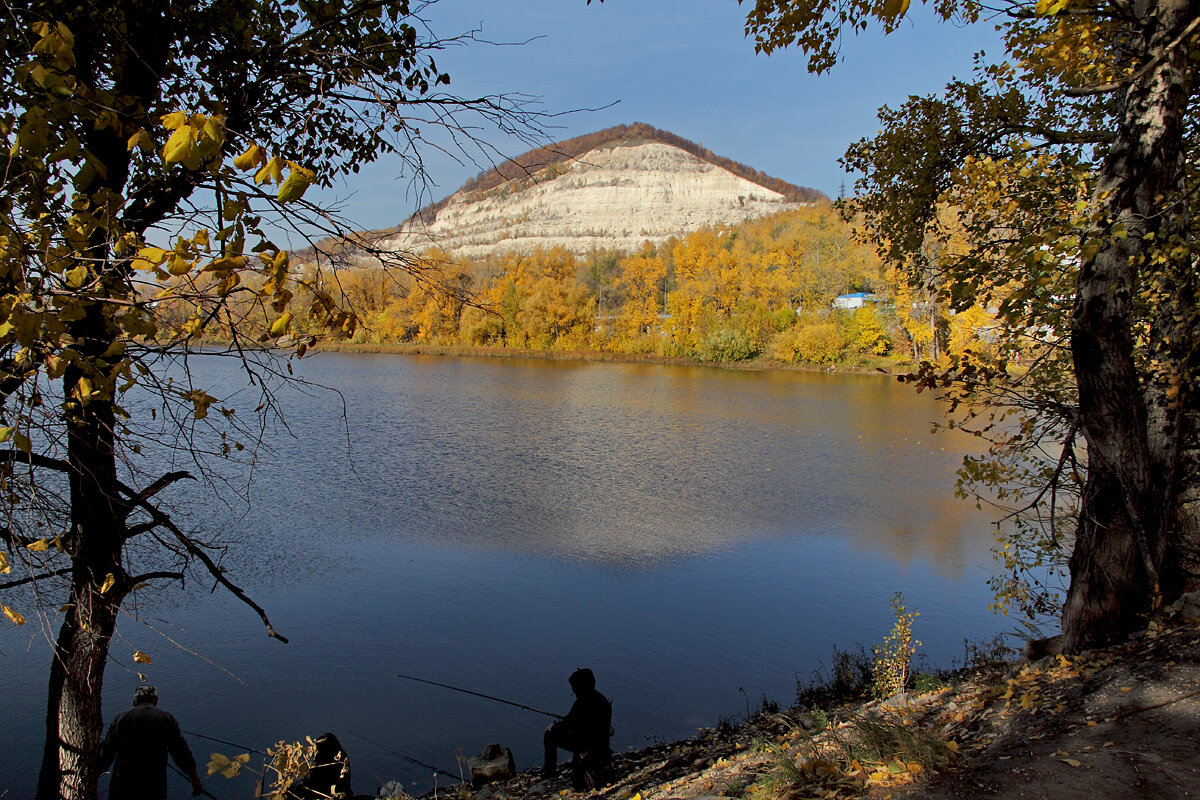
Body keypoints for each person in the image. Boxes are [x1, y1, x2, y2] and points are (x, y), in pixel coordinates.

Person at [99, 685, 204, 799]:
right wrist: (194, 778)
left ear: (134, 701)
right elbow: (181, 752)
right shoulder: (166, 718)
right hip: (154, 783)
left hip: (123, 783)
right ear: (155, 700)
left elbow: (107, 751)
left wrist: (95, 772)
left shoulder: (121, 718)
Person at [543, 668, 612, 790]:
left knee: (549, 735)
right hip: (600, 745)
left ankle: (550, 772)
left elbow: (569, 724)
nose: (573, 690)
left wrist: (553, 727)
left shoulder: (582, 702)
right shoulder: (601, 700)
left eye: (574, 687)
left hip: (587, 746)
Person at [286, 732, 355, 800]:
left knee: (291, 790)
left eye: (319, 746)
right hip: (336, 791)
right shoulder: (340, 755)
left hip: (324, 791)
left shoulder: (329, 758)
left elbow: (313, 778)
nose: (318, 749)